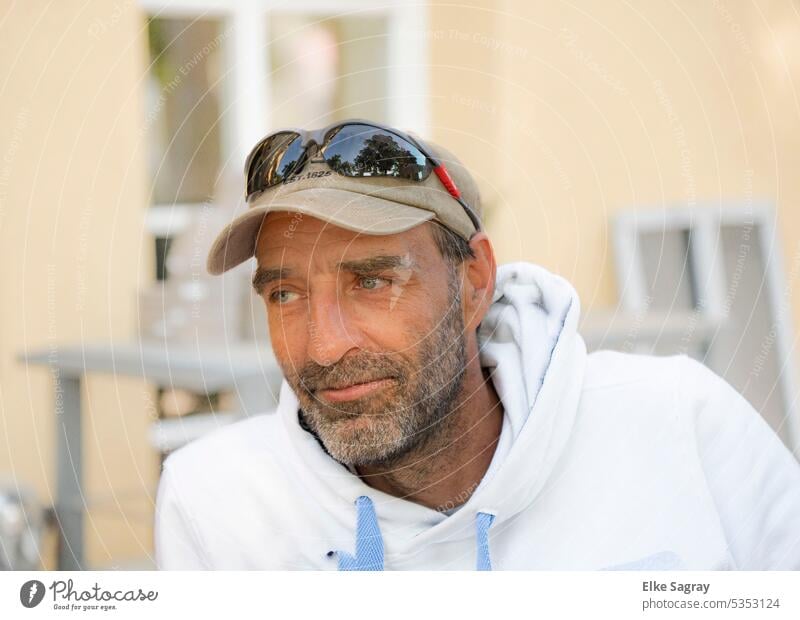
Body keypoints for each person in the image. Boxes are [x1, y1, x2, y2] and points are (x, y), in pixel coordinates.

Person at [154, 119, 800, 570]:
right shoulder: (215, 501)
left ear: (474, 281)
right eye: (286, 295)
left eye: (373, 281)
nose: (322, 348)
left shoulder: (679, 422)